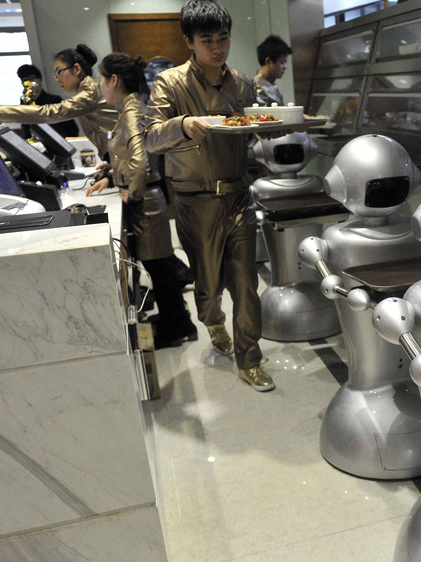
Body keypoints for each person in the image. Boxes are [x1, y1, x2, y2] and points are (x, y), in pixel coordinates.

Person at [144, 0, 284, 392]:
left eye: (223, 39)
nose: (218, 47)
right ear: (189, 41)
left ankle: (249, 356)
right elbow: (151, 137)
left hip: (238, 196)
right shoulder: (169, 84)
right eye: (208, 40)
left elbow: (255, 125)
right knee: (207, 286)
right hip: (193, 200)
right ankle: (211, 320)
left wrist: (272, 126)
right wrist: (184, 125)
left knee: (244, 282)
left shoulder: (241, 83)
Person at [85, 53, 197, 349]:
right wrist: (111, 173)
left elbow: (141, 159)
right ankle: (177, 322)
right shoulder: (131, 108)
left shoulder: (133, 111)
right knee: (159, 268)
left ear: (114, 80)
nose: (100, 85)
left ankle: (176, 328)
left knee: (160, 269)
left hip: (145, 202)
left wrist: (130, 192)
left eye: (102, 79)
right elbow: (127, 156)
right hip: (147, 200)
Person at [0, 44, 117, 157]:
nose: (57, 78)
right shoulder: (86, 90)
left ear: (77, 69)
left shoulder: (89, 92)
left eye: (59, 72)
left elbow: (49, 113)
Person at [16, 64, 80, 139]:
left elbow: (72, 129)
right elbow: (26, 129)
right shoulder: (25, 102)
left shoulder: (54, 100)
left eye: (32, 79)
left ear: (39, 80)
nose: (28, 83)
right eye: (24, 81)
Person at [254, 34, 292, 107]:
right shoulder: (256, 86)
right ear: (268, 62)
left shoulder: (271, 83)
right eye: (282, 62)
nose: (285, 67)